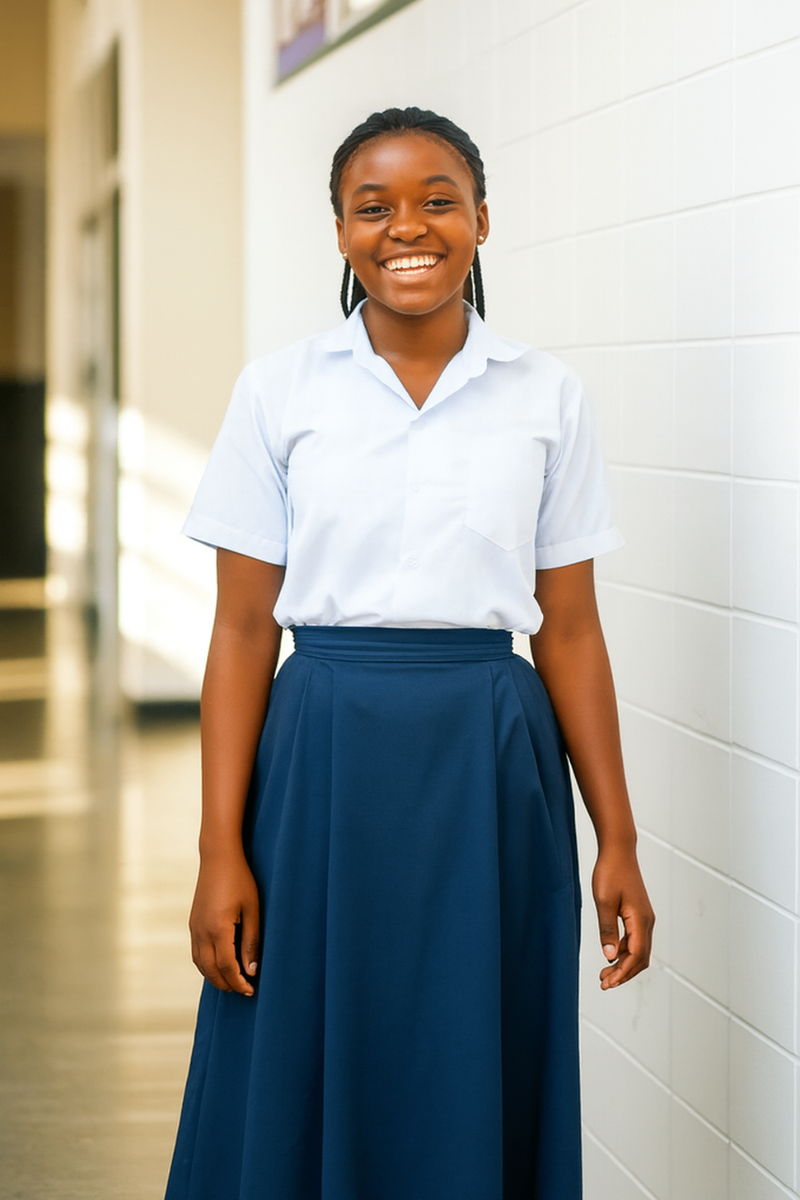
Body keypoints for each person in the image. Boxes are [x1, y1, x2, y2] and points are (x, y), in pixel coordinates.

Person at [165, 107, 654, 1200]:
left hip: (489, 756)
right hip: (320, 750)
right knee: (296, 1036)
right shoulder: (279, 392)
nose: (407, 228)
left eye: (437, 199)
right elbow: (242, 629)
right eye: (371, 206)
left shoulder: (544, 395)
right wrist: (216, 850)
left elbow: (567, 629)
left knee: (471, 1047)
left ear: (481, 219)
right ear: (338, 231)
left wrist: (615, 836)